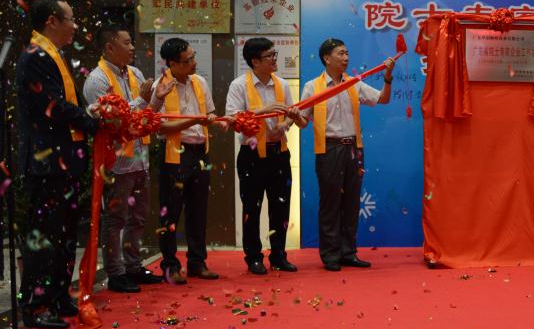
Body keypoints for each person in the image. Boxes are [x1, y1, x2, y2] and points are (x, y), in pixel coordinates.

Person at [16, 0, 99, 329]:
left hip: (65, 161)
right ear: (52, 21)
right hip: (47, 162)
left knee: (65, 234)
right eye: (71, 19)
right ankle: (36, 304)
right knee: (45, 236)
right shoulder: (35, 56)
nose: (75, 26)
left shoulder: (53, 54)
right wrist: (92, 122)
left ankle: (58, 295)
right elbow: (52, 106)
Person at [300, 38, 393, 270]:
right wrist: (293, 116)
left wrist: (388, 77)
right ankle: (330, 255)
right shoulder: (312, 87)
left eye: (347, 53)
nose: (346, 58)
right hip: (329, 149)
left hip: (354, 148)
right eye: (341, 53)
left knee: (351, 202)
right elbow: (302, 121)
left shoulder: (354, 83)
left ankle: (348, 252)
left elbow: (383, 99)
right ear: (326, 58)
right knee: (330, 203)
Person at [82, 23, 162, 293]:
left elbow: (146, 113)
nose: (132, 47)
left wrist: (157, 100)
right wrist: (141, 101)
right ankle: (115, 273)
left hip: (140, 157)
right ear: (109, 47)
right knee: (115, 219)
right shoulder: (96, 80)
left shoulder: (135, 73)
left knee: (138, 217)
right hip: (116, 162)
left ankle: (133, 266)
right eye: (127, 43)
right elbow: (111, 120)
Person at [226, 37, 307, 275]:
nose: (274, 59)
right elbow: (233, 120)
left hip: (279, 153)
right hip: (251, 155)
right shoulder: (238, 85)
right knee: (252, 208)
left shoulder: (282, 84)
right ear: (255, 61)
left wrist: (289, 120)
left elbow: (294, 117)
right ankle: (253, 257)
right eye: (270, 55)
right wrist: (264, 110)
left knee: (281, 208)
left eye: (274, 54)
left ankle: (279, 255)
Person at [149, 38, 220, 284]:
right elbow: (160, 127)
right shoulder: (160, 87)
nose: (194, 63)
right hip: (174, 154)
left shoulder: (200, 81)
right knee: (170, 212)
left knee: (198, 210)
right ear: (172, 63)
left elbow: (209, 113)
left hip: (200, 151)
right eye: (188, 60)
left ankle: (197, 262)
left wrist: (213, 119)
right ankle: (170, 265)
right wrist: (195, 120)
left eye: (193, 56)